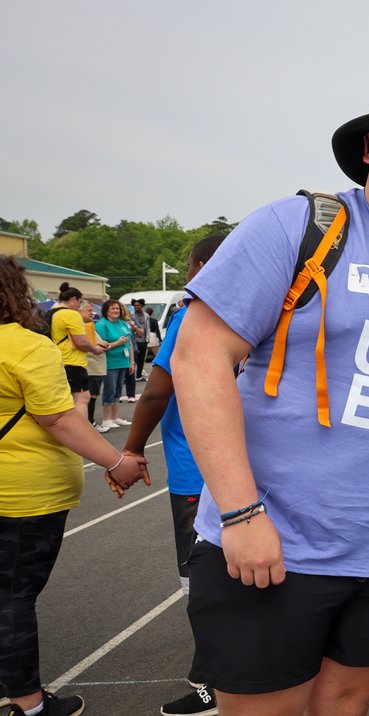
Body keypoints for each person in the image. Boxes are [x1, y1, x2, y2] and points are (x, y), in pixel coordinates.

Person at [171, 81, 369, 715]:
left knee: (345, 708)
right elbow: (198, 356)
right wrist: (240, 514)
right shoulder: (297, 226)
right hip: (274, 544)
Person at [1, 256, 148, 716]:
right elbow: (59, 417)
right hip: (24, 491)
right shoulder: (24, 345)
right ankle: (27, 704)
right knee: (12, 596)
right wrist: (117, 460)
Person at [121, 234, 226, 716]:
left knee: (200, 583)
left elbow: (156, 392)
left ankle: (211, 684)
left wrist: (131, 448)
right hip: (240, 468)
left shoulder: (194, 316)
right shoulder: (262, 308)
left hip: (196, 474)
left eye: (188, 266)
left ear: (202, 265)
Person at [48, 283, 107, 418]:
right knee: (82, 398)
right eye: (79, 302)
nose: (79, 306)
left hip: (56, 360)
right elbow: (82, 341)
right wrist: (95, 349)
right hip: (73, 361)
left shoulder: (52, 313)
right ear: (73, 299)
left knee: (64, 400)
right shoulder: (71, 314)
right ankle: (82, 430)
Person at [93, 299, 134, 429]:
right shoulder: (101, 325)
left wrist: (132, 362)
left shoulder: (123, 323)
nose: (116, 311)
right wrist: (117, 343)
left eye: (118, 308)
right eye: (113, 309)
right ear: (106, 311)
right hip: (109, 362)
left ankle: (115, 417)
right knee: (109, 389)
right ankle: (106, 419)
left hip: (123, 361)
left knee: (118, 390)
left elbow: (130, 343)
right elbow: (101, 345)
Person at [78, 300, 109, 432]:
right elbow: (91, 344)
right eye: (89, 310)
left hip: (96, 366)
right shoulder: (80, 327)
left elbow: (101, 342)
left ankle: (90, 422)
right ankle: (89, 422)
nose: (92, 313)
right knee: (88, 396)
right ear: (80, 311)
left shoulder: (89, 326)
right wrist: (101, 345)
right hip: (90, 366)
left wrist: (104, 344)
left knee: (93, 395)